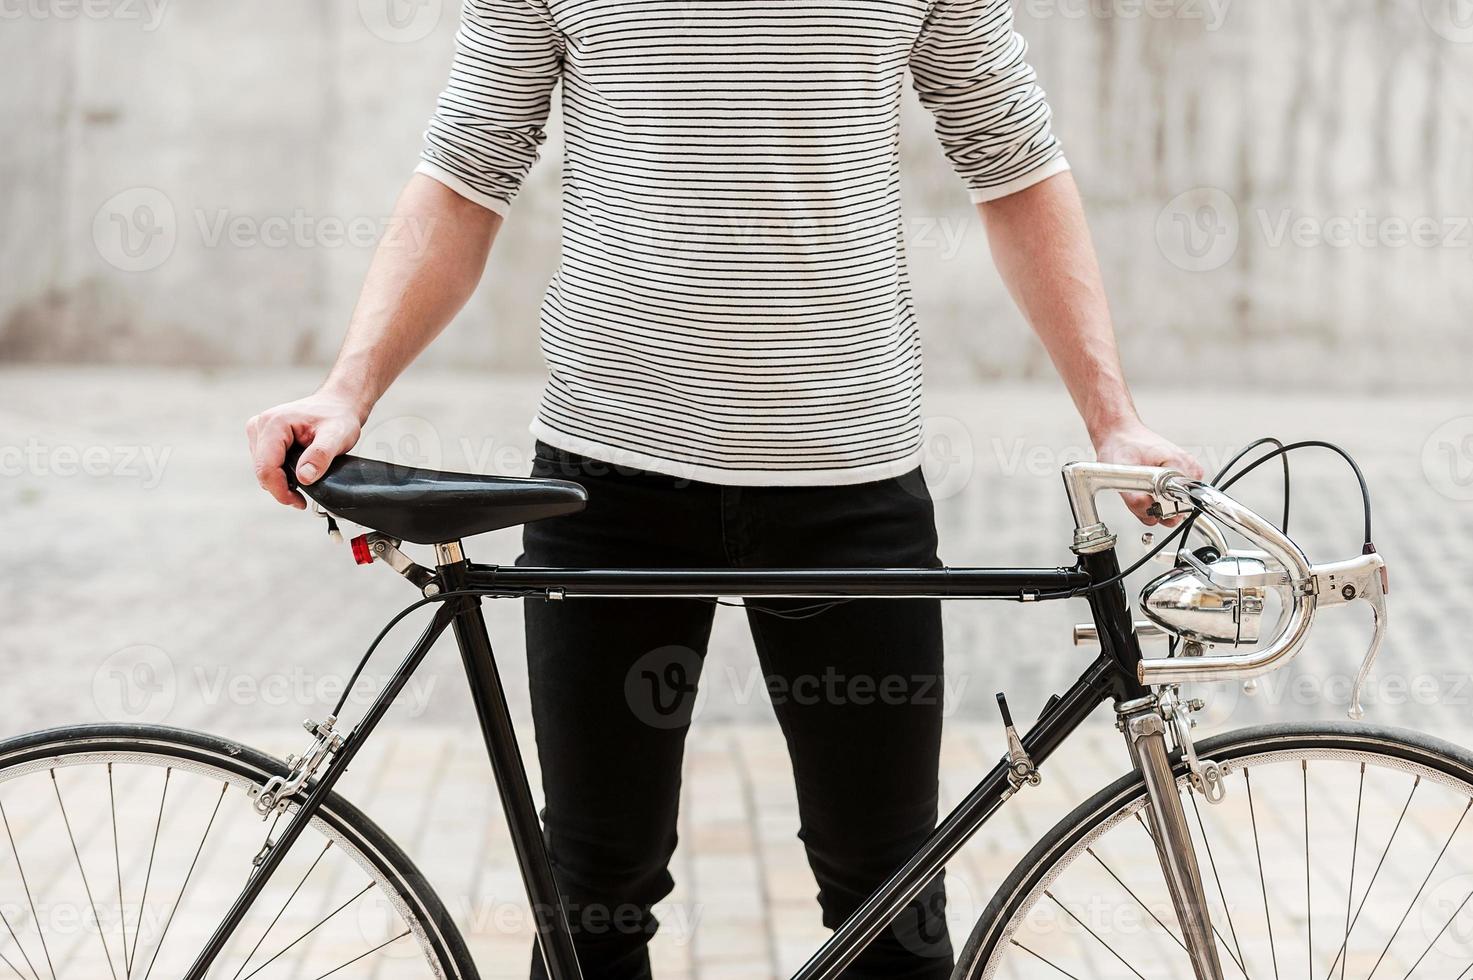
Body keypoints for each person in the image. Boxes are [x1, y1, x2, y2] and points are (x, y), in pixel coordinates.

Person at [247, 1, 1202, 976]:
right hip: (609, 480)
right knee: (595, 899)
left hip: (849, 474)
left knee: (892, 901)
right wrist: (347, 389)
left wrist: (1111, 417)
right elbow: (465, 172)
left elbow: (1014, 163)